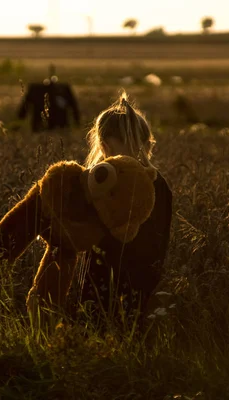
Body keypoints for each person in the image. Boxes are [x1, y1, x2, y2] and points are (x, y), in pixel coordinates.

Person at [73, 92, 173, 332]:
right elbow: (159, 244)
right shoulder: (159, 184)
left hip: (96, 286)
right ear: (147, 142)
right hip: (142, 287)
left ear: (103, 145)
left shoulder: (99, 182)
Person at [17, 65, 80, 133]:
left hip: (49, 126)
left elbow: (24, 109)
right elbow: (74, 107)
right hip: (55, 126)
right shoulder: (62, 90)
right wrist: (77, 123)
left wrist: (17, 125)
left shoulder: (36, 91)